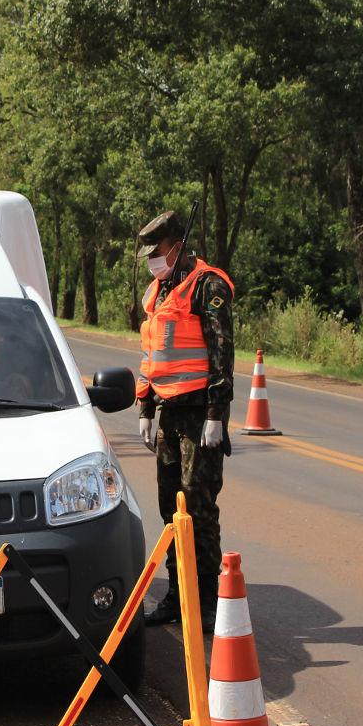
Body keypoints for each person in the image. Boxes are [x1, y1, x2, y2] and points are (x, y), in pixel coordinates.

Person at [135, 209, 235, 627]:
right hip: (169, 413)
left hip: (199, 415)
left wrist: (217, 412)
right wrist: (145, 406)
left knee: (198, 507)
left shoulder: (208, 285)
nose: (153, 260)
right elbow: (152, 355)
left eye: (157, 252)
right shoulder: (158, 291)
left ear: (176, 245)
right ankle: (177, 598)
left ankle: (208, 603)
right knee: (169, 509)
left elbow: (221, 353)